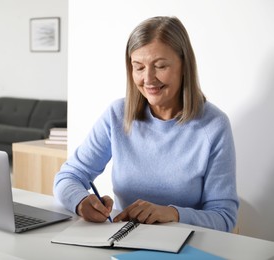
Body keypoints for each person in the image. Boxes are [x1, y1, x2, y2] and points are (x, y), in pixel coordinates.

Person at [53, 16, 239, 232]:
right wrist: (81, 202)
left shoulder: (214, 126)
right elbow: (68, 177)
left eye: (160, 66)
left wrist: (172, 213)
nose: (148, 79)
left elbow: (224, 217)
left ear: (184, 66)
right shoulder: (117, 115)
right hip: (122, 240)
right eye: (138, 67)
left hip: (186, 246)